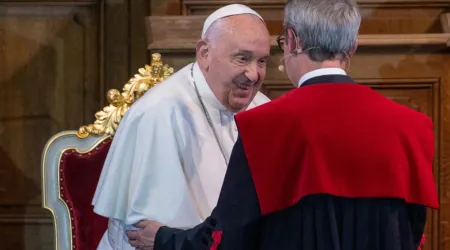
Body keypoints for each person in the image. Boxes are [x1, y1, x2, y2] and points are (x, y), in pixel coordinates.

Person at [126, 0, 440, 249]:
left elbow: (229, 239)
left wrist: (166, 239)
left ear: (291, 40)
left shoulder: (264, 126)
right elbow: (411, 235)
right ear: (353, 47)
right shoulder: (412, 127)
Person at [92, 4, 271, 250]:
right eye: (242, 58)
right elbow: (144, 235)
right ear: (204, 53)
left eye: (261, 61)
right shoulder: (158, 114)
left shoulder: (264, 110)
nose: (253, 74)